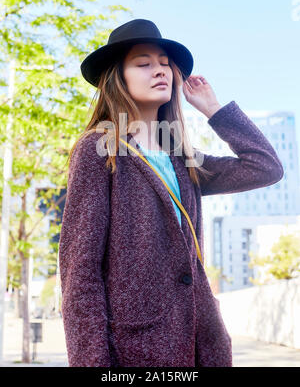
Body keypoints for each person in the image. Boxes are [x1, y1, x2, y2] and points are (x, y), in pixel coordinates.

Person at [58, 19, 284, 367]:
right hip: (135, 351)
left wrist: (215, 111)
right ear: (118, 77)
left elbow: (265, 167)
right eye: (143, 63)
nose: (159, 70)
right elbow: (80, 273)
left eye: (165, 63)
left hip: (202, 346)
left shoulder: (184, 158)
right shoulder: (99, 150)